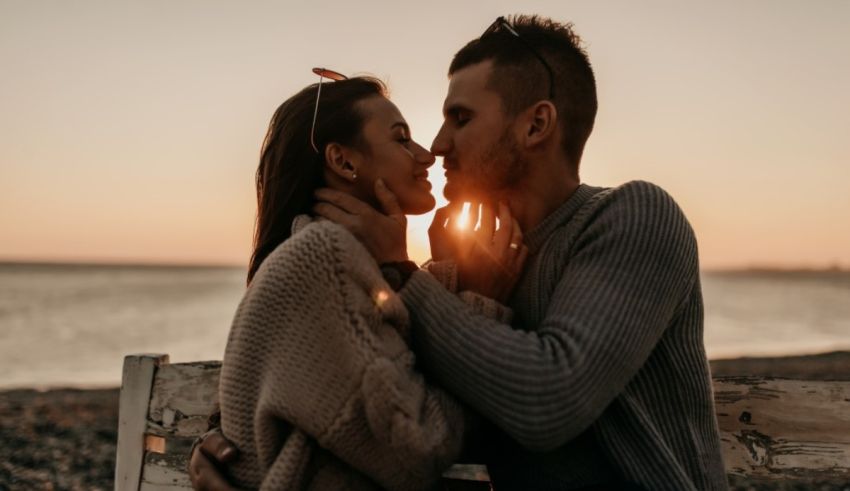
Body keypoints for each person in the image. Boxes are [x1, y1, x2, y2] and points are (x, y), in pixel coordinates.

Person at [194, 14, 728, 491]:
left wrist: (405, 273)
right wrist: (230, 438)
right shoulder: (480, 270)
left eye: (461, 118)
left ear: (536, 125)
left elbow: (547, 401)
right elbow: (355, 365)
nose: (439, 144)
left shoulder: (633, 218)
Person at [210, 73, 527, 491]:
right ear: (344, 162)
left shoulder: (327, 257)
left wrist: (434, 275)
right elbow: (420, 445)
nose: (426, 155)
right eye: (401, 139)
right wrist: (481, 303)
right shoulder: (323, 256)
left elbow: (386, 366)